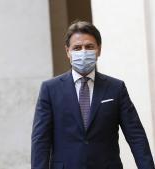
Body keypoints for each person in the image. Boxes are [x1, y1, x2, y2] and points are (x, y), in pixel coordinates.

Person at [31, 21, 154, 169]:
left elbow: (136, 135)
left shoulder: (116, 88)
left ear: (99, 50)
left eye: (89, 47)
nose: (83, 52)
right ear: (67, 51)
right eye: (77, 48)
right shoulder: (50, 89)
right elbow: (41, 140)